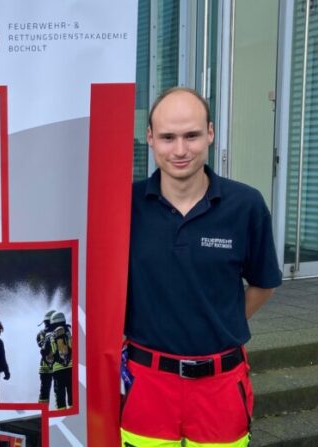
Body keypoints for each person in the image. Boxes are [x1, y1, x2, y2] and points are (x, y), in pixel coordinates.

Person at [121, 87, 282, 447]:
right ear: (150, 138)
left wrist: (220, 321)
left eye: (191, 135)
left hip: (221, 385)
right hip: (146, 383)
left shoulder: (246, 205)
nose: (180, 150)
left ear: (210, 132)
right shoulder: (125, 206)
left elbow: (263, 284)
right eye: (168, 137)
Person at [46, 312, 73, 409]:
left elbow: (47, 354)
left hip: (57, 371)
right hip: (71, 368)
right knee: (73, 395)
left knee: (60, 396)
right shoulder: (70, 332)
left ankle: (61, 417)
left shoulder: (50, 336)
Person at [36, 309, 56, 404]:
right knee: (58, 390)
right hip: (56, 367)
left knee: (44, 392)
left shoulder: (41, 333)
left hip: (45, 367)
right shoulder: (57, 333)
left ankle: (42, 412)